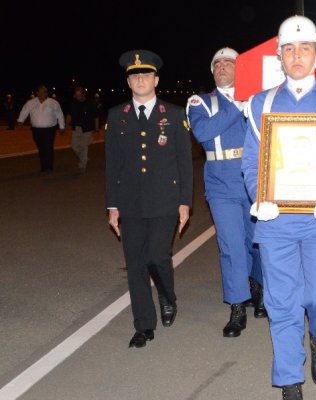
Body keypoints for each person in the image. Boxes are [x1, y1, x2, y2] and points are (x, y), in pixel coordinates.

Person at [241, 15, 316, 400]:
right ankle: (289, 378)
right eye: (289, 49)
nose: (297, 55)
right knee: (282, 301)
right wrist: (260, 198)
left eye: (304, 48)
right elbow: (250, 162)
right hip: (276, 221)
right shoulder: (262, 103)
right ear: (279, 56)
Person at [105, 50, 193, 348]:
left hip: (164, 200)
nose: (139, 79)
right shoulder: (118, 116)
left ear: (156, 79)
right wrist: (112, 204)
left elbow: (185, 162)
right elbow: (112, 163)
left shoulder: (174, 114)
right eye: (134, 75)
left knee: (157, 256)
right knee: (135, 262)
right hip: (130, 202)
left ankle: (167, 296)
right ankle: (144, 324)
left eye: (145, 74)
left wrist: (185, 201)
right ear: (128, 81)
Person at [186, 46, 265, 339]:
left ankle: (258, 285)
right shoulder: (201, 102)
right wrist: (236, 107)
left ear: (239, 69)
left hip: (253, 179)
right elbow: (204, 133)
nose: (222, 67)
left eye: (228, 63)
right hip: (221, 182)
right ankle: (237, 305)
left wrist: (249, 102)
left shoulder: (257, 99)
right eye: (217, 63)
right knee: (231, 245)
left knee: (257, 241)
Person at [17, 85, 65, 172]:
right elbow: (24, 111)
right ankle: (43, 166)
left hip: (50, 129)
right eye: (42, 92)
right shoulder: (31, 102)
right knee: (41, 148)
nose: (44, 93)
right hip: (36, 130)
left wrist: (62, 127)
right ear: (37, 93)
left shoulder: (53, 103)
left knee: (48, 147)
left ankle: (49, 166)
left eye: (45, 92)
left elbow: (60, 115)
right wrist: (20, 121)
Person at [65, 86, 99, 170]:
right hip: (76, 127)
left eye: (79, 95)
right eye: (76, 95)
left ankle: (83, 164)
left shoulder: (90, 102)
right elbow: (69, 114)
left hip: (87, 128)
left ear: (83, 94)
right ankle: (85, 158)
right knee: (74, 146)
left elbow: (96, 116)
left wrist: (97, 127)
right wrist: (66, 125)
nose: (78, 97)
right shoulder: (73, 103)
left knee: (83, 146)